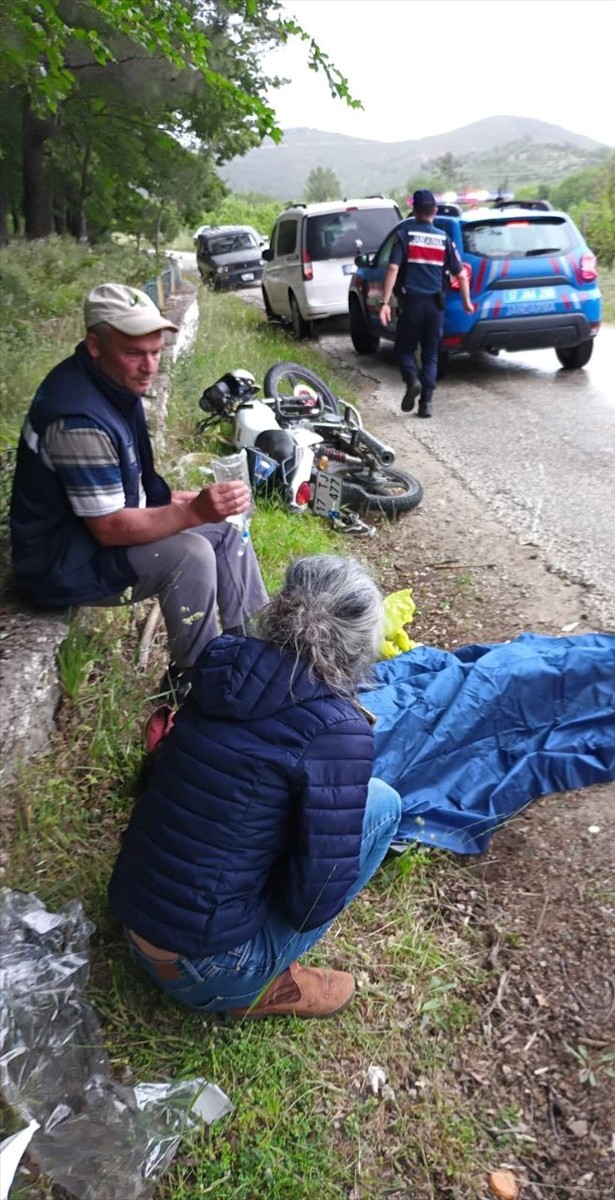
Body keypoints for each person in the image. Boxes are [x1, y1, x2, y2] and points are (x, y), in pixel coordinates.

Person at [108, 554, 402, 1018]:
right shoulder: (339, 730)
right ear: (359, 646)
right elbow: (311, 903)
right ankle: (263, 985)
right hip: (205, 970)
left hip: (132, 913)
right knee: (383, 803)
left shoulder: (224, 657)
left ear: (283, 604)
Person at [9, 283, 268, 699]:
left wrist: (185, 503)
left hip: (84, 539)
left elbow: (118, 492)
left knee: (227, 531)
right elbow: (110, 527)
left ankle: (256, 652)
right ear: (95, 345)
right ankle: (195, 685)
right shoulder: (79, 418)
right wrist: (192, 512)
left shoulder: (107, 384)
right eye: (134, 353)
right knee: (190, 554)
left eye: (156, 351)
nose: (149, 366)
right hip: (60, 563)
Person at [379, 188, 474, 419]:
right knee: (431, 354)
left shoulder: (404, 235)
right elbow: (460, 275)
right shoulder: (444, 239)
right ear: (434, 211)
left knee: (404, 349)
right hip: (435, 306)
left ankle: (412, 379)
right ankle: (426, 404)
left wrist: (384, 302)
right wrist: (466, 303)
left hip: (411, 304)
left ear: (414, 211)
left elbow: (392, 268)